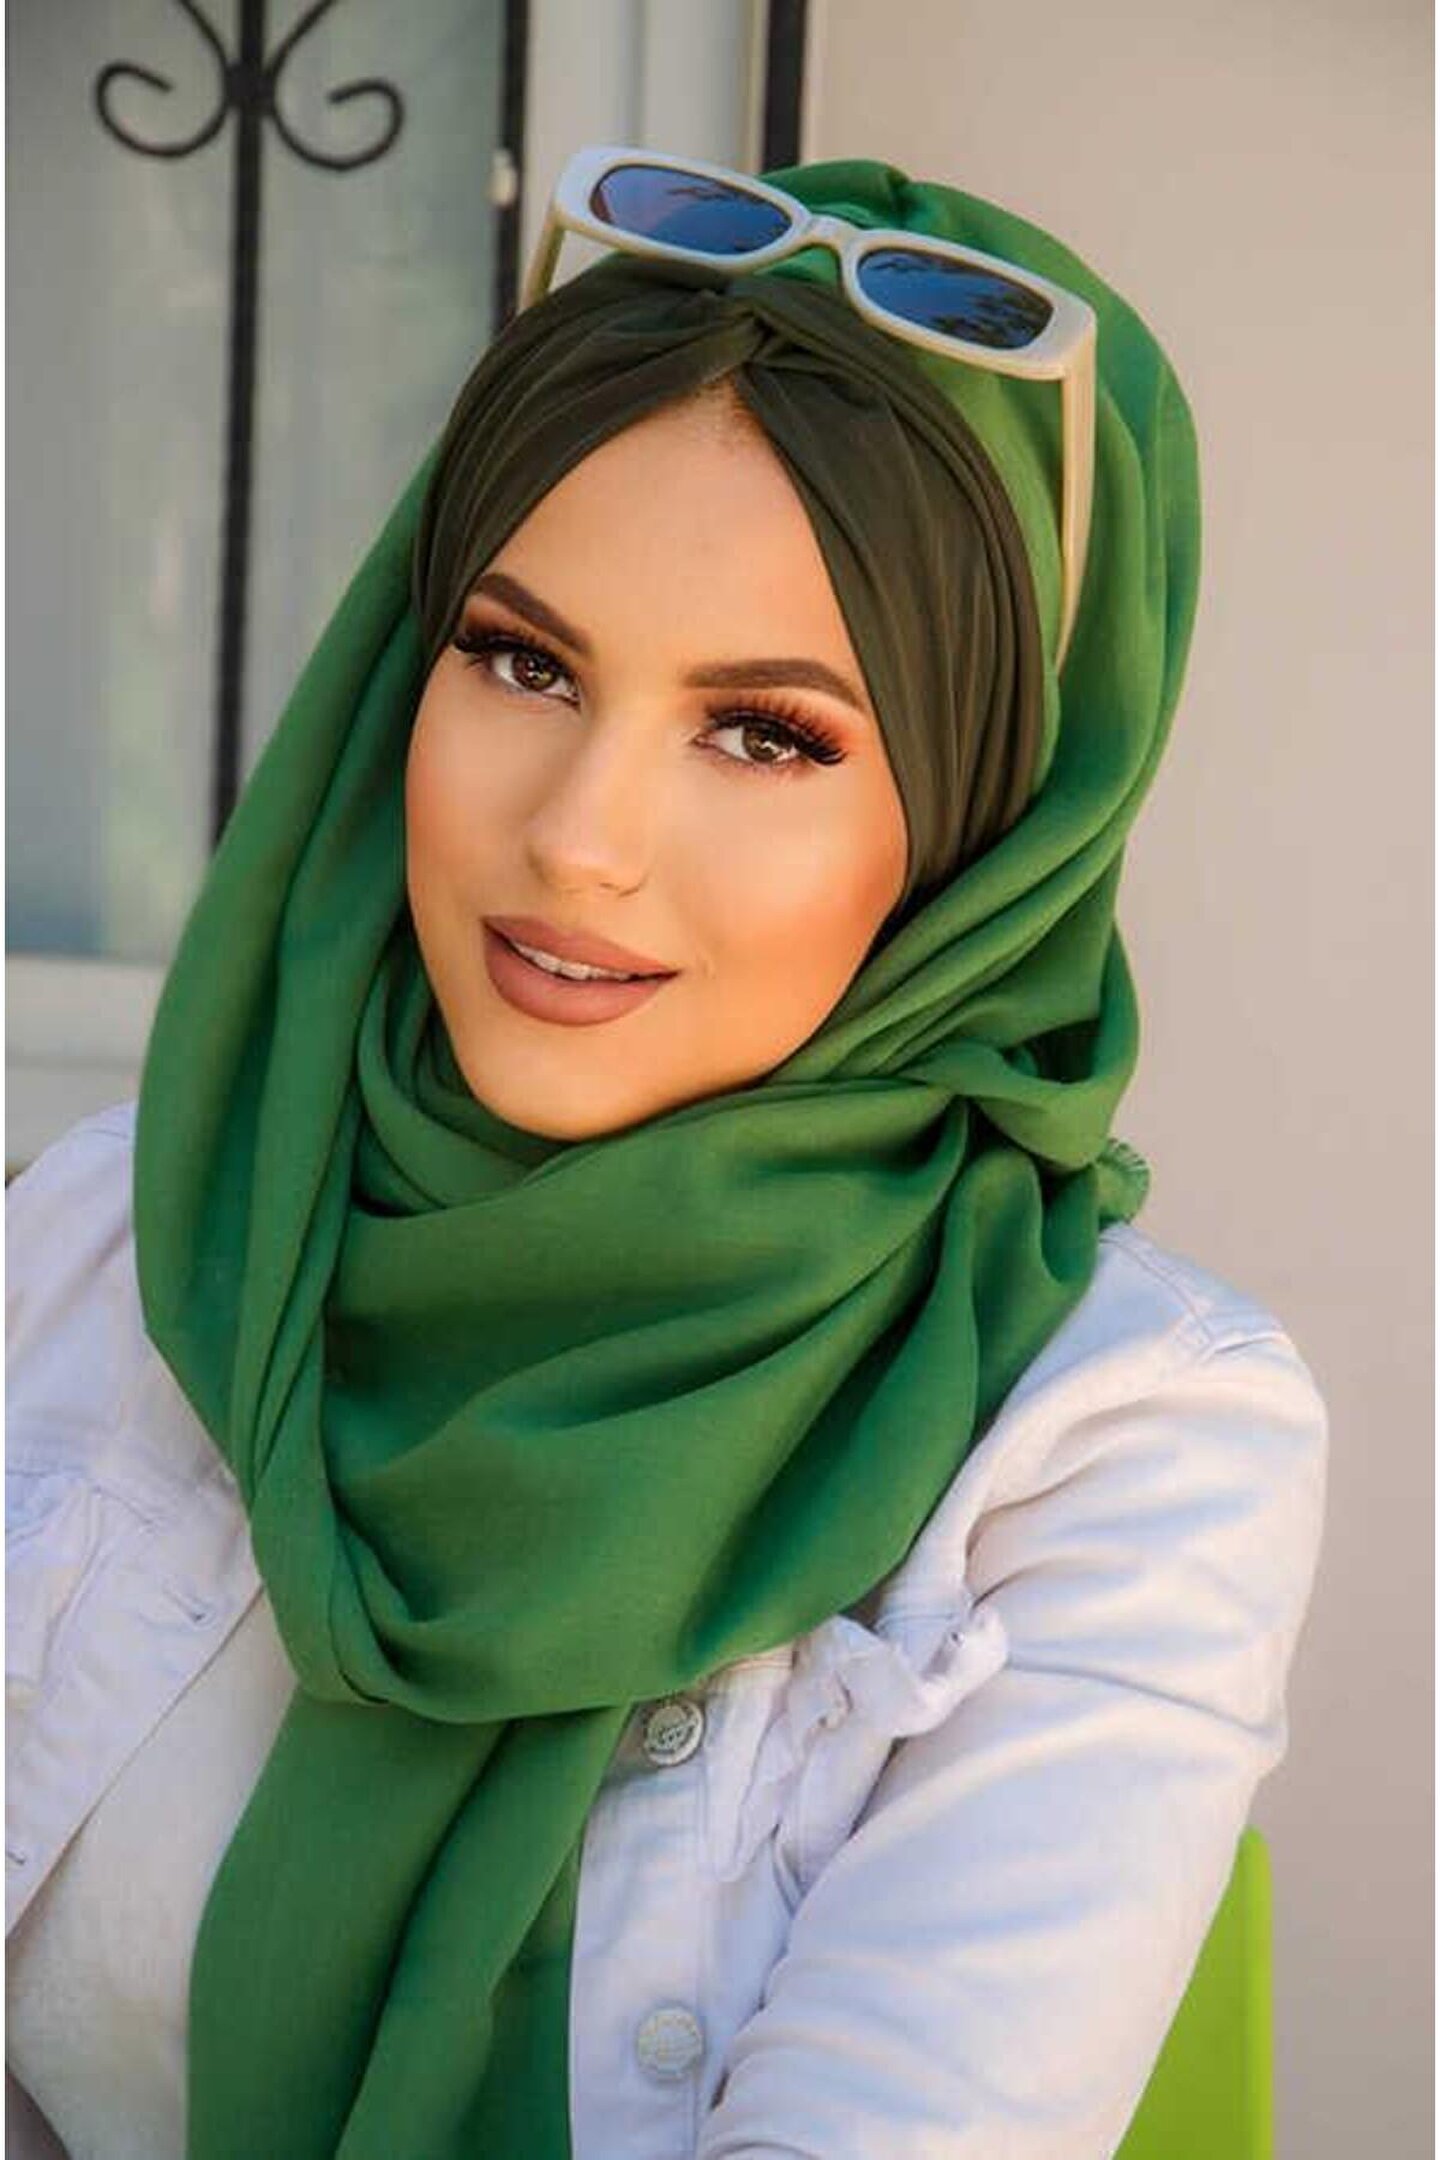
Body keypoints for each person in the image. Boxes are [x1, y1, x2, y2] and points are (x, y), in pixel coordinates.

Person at [5, 149, 1328, 2159]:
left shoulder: (1119, 1448)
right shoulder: (127, 1237)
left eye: (768, 734)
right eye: (519, 659)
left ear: (988, 828)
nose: (578, 838)